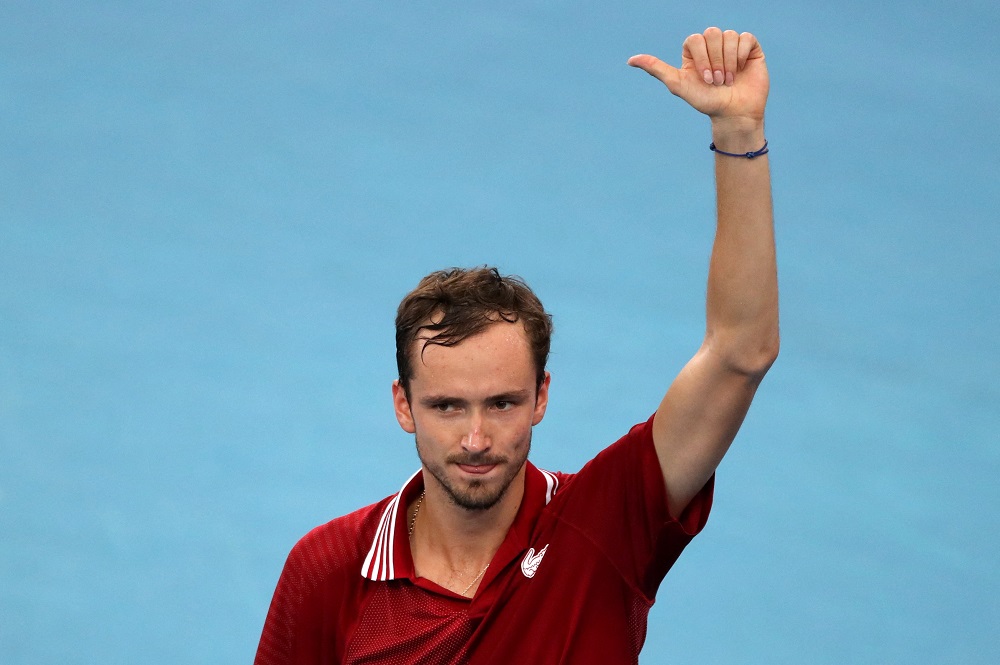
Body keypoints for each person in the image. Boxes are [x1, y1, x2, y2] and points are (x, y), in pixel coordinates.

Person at [255, 26, 777, 664]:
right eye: (448, 406)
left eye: (502, 403)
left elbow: (740, 353)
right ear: (402, 405)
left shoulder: (605, 526)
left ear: (541, 396)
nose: (476, 440)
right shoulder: (328, 571)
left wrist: (739, 133)